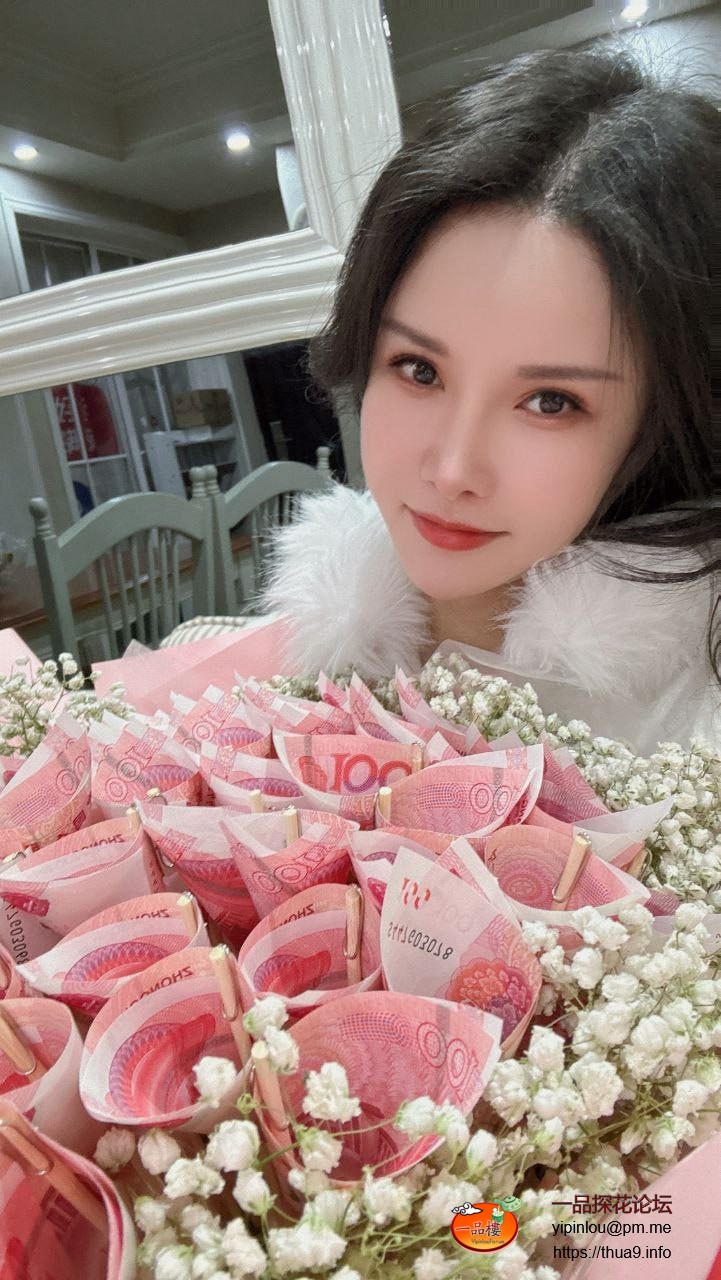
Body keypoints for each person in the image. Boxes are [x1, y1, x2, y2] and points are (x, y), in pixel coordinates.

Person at [183, 43, 721, 755]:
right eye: (419, 370)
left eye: (550, 401)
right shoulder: (285, 669)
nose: (451, 470)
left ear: (663, 421)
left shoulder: (688, 734)